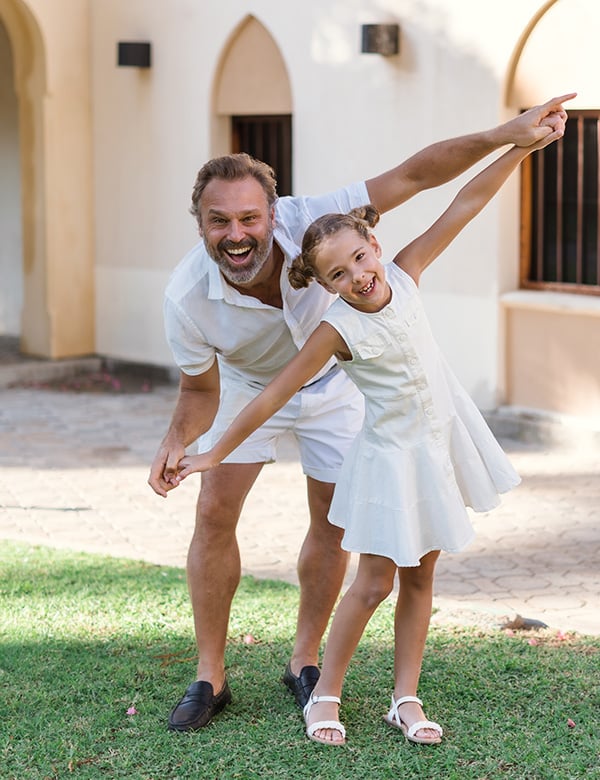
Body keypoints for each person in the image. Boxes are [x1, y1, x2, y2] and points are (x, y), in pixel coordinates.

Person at [148, 94, 574, 733]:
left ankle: (306, 665)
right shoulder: (190, 296)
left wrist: (510, 140)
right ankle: (211, 675)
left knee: (335, 523)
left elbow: (423, 180)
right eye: (218, 221)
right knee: (214, 510)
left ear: (274, 214)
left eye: (248, 218)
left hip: (348, 386)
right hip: (252, 384)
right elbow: (211, 390)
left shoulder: (351, 245)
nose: (236, 233)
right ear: (200, 223)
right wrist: (191, 446)